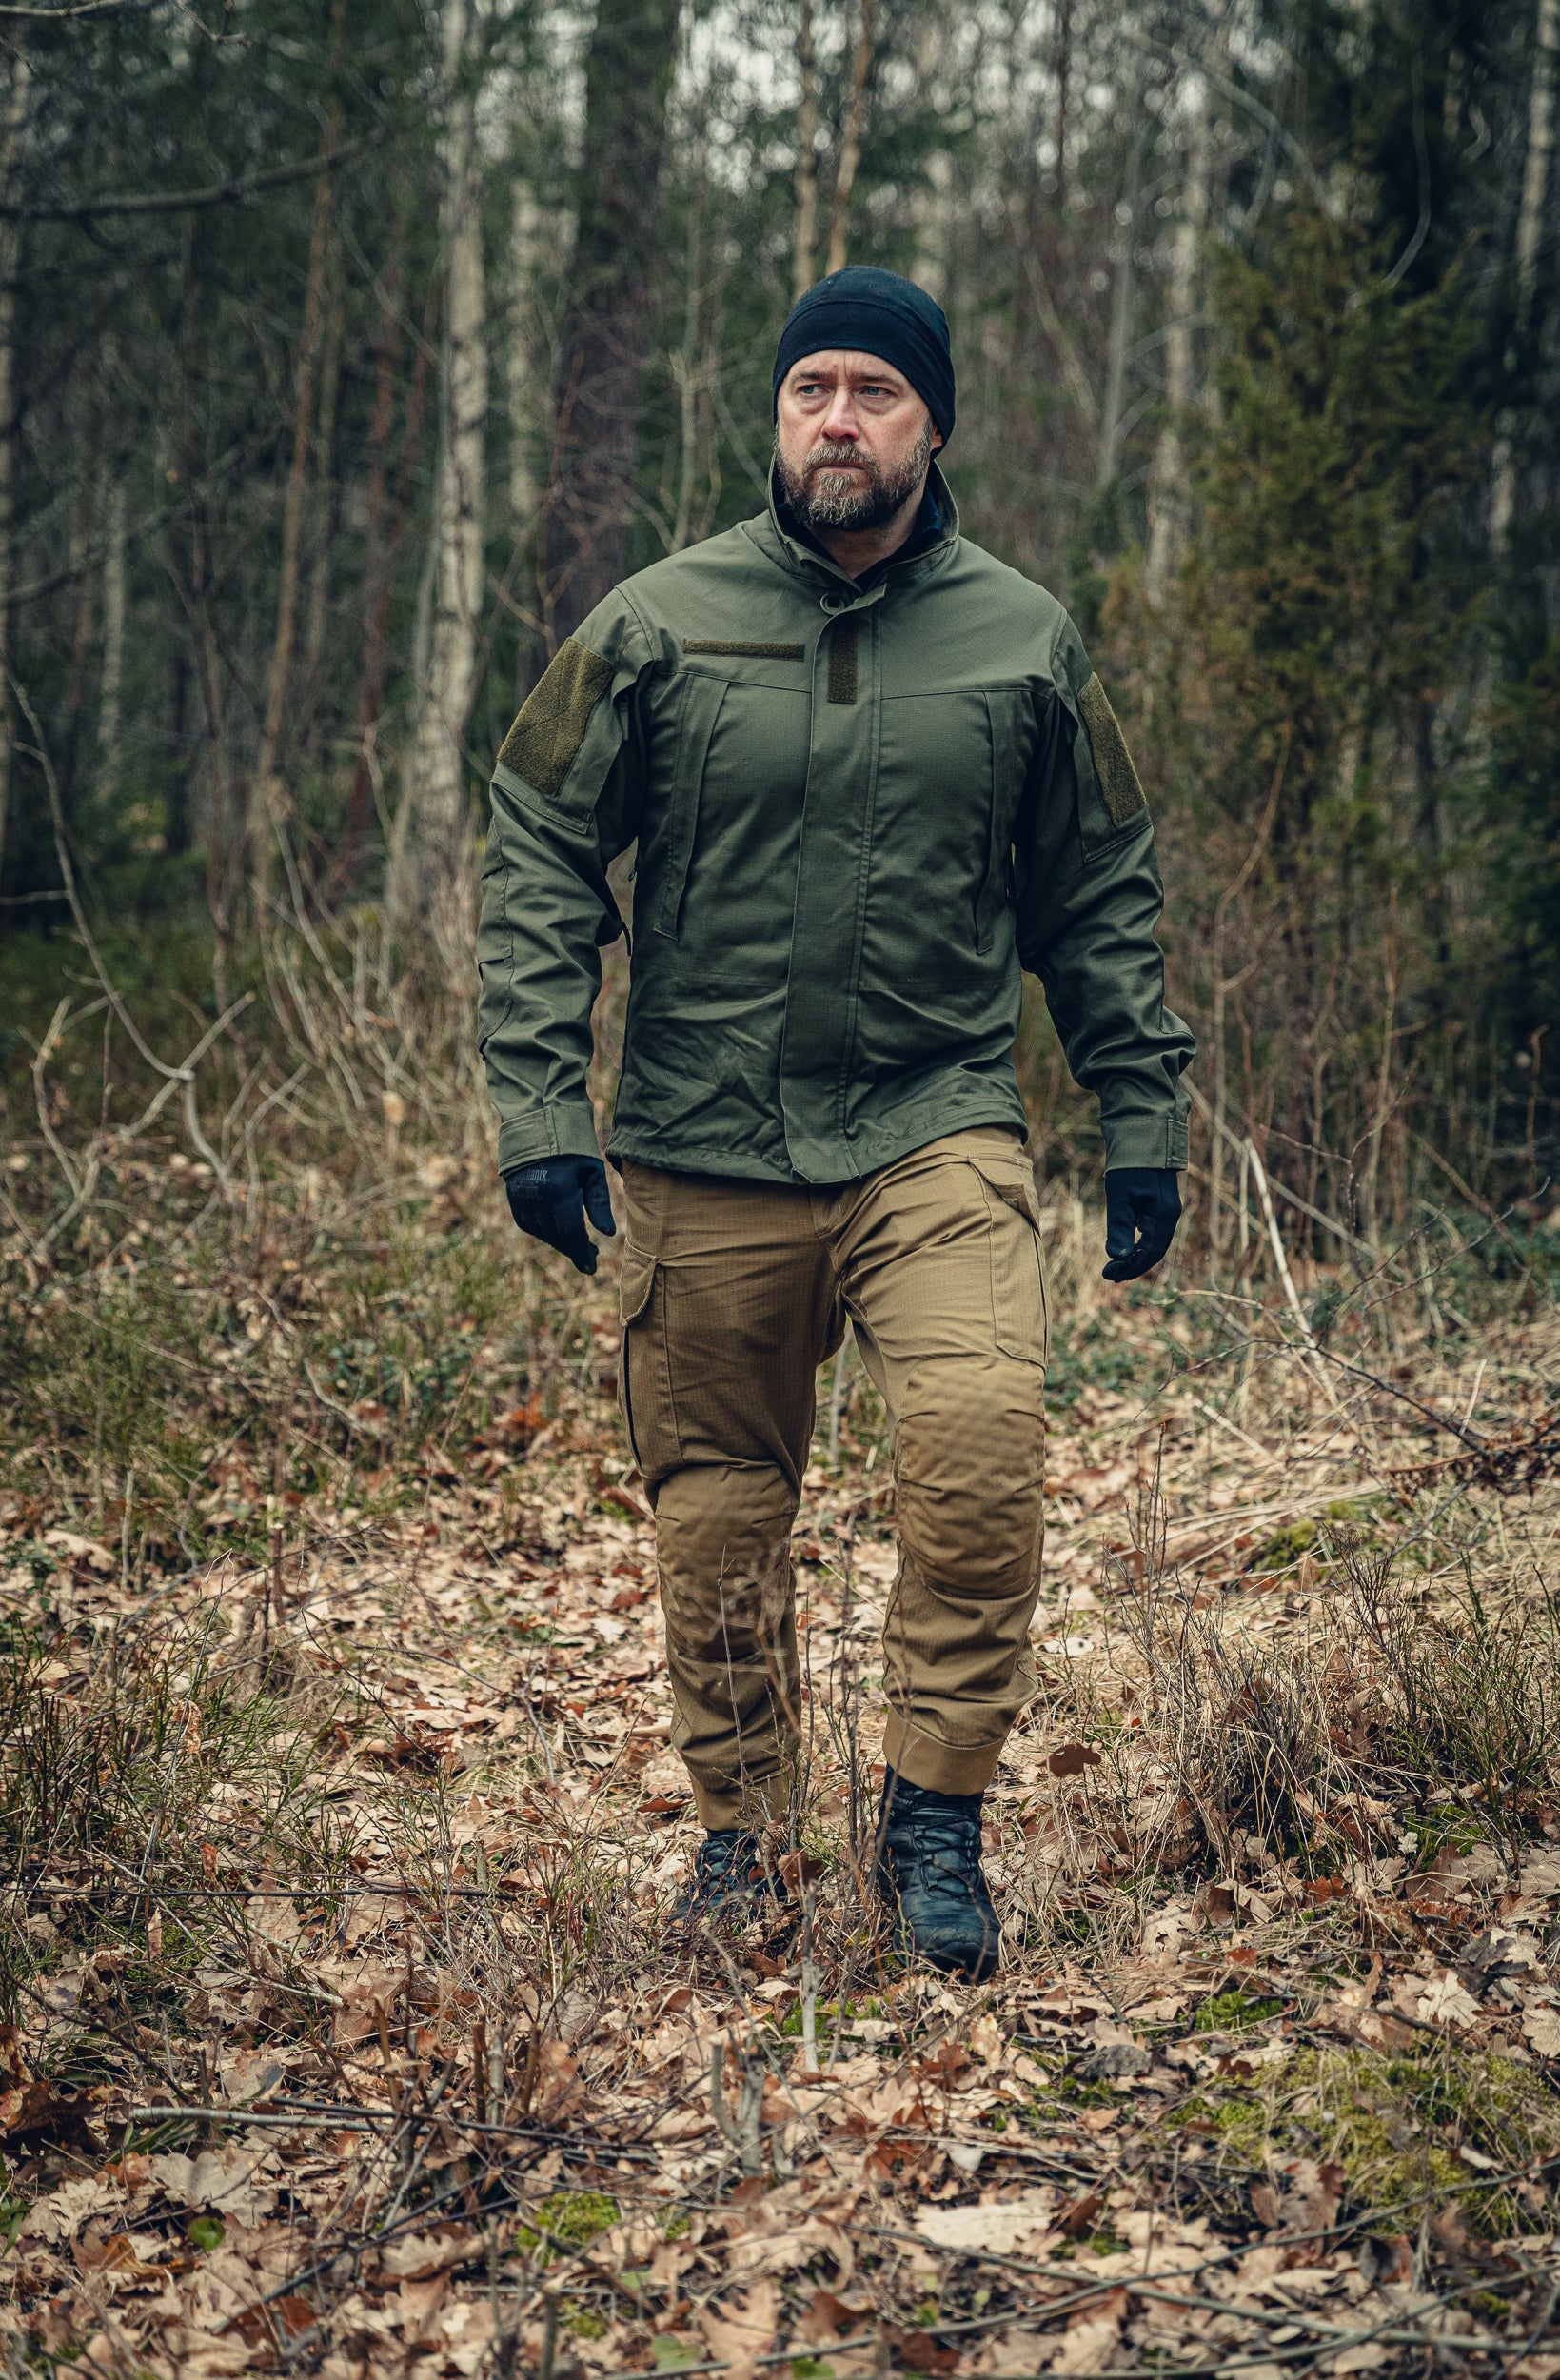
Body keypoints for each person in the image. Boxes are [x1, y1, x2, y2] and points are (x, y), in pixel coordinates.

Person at [477, 266, 1194, 1980]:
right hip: (700, 1138)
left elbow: (1095, 884)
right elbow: (538, 842)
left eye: (878, 390)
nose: (841, 420)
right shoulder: (656, 621)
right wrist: (535, 1102)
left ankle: (932, 1826)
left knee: (980, 1456)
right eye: (813, 392)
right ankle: (745, 1842)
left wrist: (1140, 1102)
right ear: (775, 419)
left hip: (936, 1127)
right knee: (717, 1505)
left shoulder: (1026, 638)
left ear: (935, 424)